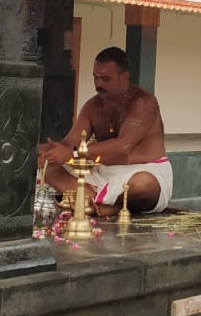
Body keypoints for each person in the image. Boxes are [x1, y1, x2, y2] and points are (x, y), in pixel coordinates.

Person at [37, 47, 172, 214]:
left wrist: (72, 154)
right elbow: (69, 144)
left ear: (124, 77)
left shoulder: (143, 102)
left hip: (144, 170)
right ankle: (102, 205)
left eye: (106, 79)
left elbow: (123, 147)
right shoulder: (92, 106)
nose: (98, 84)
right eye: (96, 78)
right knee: (49, 171)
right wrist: (50, 152)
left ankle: (96, 204)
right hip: (102, 174)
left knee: (143, 184)